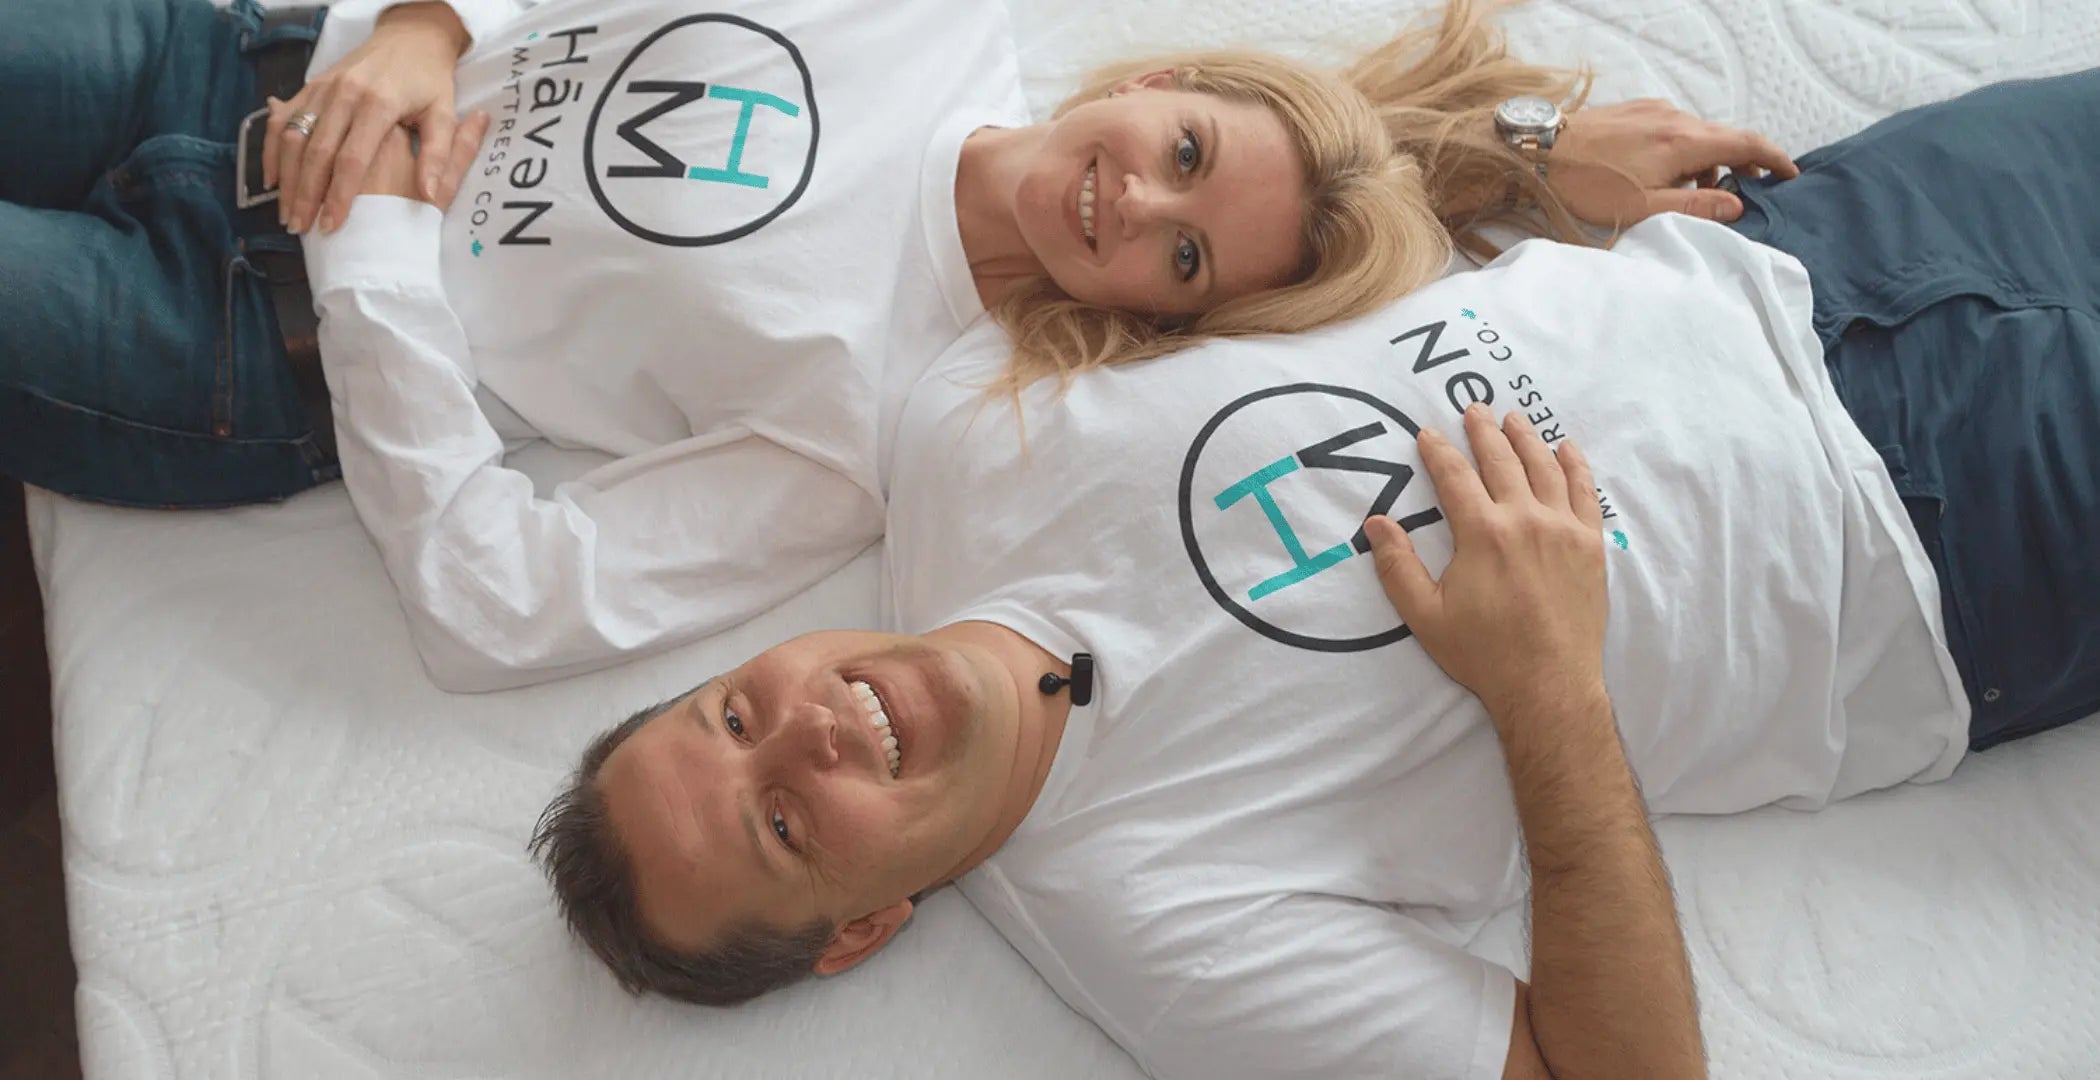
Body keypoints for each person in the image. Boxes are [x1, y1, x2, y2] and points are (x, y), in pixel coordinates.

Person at [527, 55, 2100, 1080]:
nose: (806, 732)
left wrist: (1524, 152)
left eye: (734, 717)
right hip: (1949, 549)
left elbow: (1216, 197)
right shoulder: (1170, 943)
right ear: (864, 925)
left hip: (1819, 236)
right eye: (788, 826)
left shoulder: (960, 430)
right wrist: (1547, 690)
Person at [0, 0, 1786, 691]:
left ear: (1176, 319)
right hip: (231, 61)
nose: (1131, 208)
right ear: (1159, 79)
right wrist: (417, 32)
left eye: (1184, 257)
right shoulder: (916, 17)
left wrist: (377, 250)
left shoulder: (874, 423)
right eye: (1181, 151)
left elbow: (501, 600)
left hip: (238, 337)